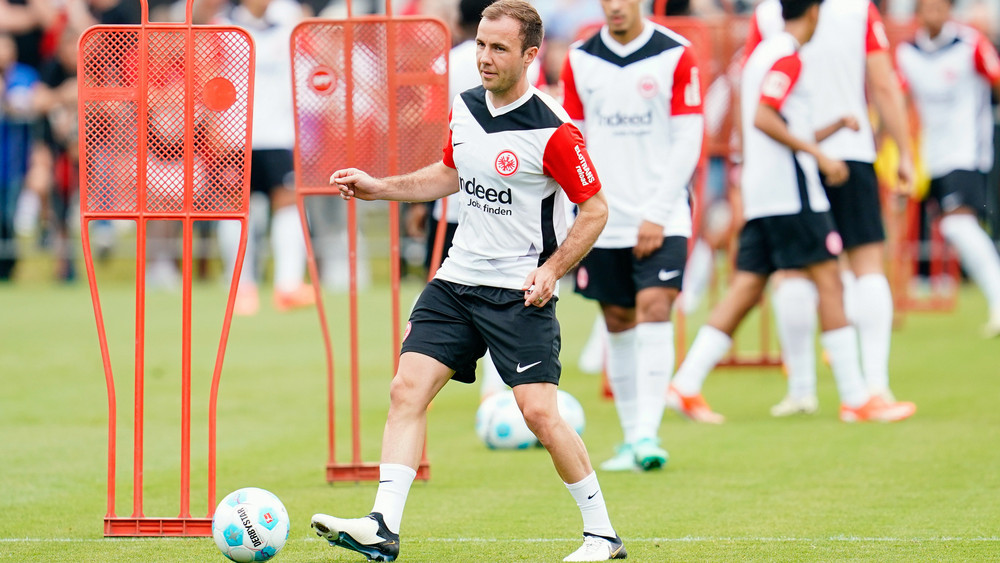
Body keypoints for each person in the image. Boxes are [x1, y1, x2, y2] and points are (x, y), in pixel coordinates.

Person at [310, 2, 627, 561]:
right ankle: (383, 524)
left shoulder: (555, 131)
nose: (484, 57)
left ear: (531, 55)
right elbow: (451, 174)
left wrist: (551, 271)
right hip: (457, 280)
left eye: (498, 48)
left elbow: (595, 209)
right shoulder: (465, 106)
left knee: (539, 415)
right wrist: (378, 187)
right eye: (481, 44)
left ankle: (602, 534)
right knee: (405, 390)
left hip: (517, 292)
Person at [670, 0, 917, 424]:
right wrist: (819, 154)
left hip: (764, 190)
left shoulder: (762, 48)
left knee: (748, 286)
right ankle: (860, 395)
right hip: (794, 191)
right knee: (833, 278)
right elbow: (768, 116)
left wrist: (830, 128)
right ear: (815, 13)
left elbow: (767, 119)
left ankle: (686, 384)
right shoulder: (794, 51)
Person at [560, 0, 703, 469]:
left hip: (663, 215)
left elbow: (689, 137)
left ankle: (647, 435)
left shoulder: (676, 54)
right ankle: (629, 439)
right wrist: (579, 210)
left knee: (655, 307)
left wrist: (658, 212)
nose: (616, 7)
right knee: (617, 320)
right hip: (604, 219)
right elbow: (572, 139)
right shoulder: (580, 59)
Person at [896, 0, 1000, 337]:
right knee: (953, 226)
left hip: (968, 151)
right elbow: (897, 99)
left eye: (940, 8)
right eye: (928, 9)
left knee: (958, 225)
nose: (934, 16)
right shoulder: (908, 53)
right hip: (930, 156)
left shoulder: (970, 44)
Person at [217, 0, 314, 315]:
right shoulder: (223, 27)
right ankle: (241, 287)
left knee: (287, 204)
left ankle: (287, 286)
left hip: (278, 134)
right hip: (235, 135)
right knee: (236, 211)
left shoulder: (290, 21)